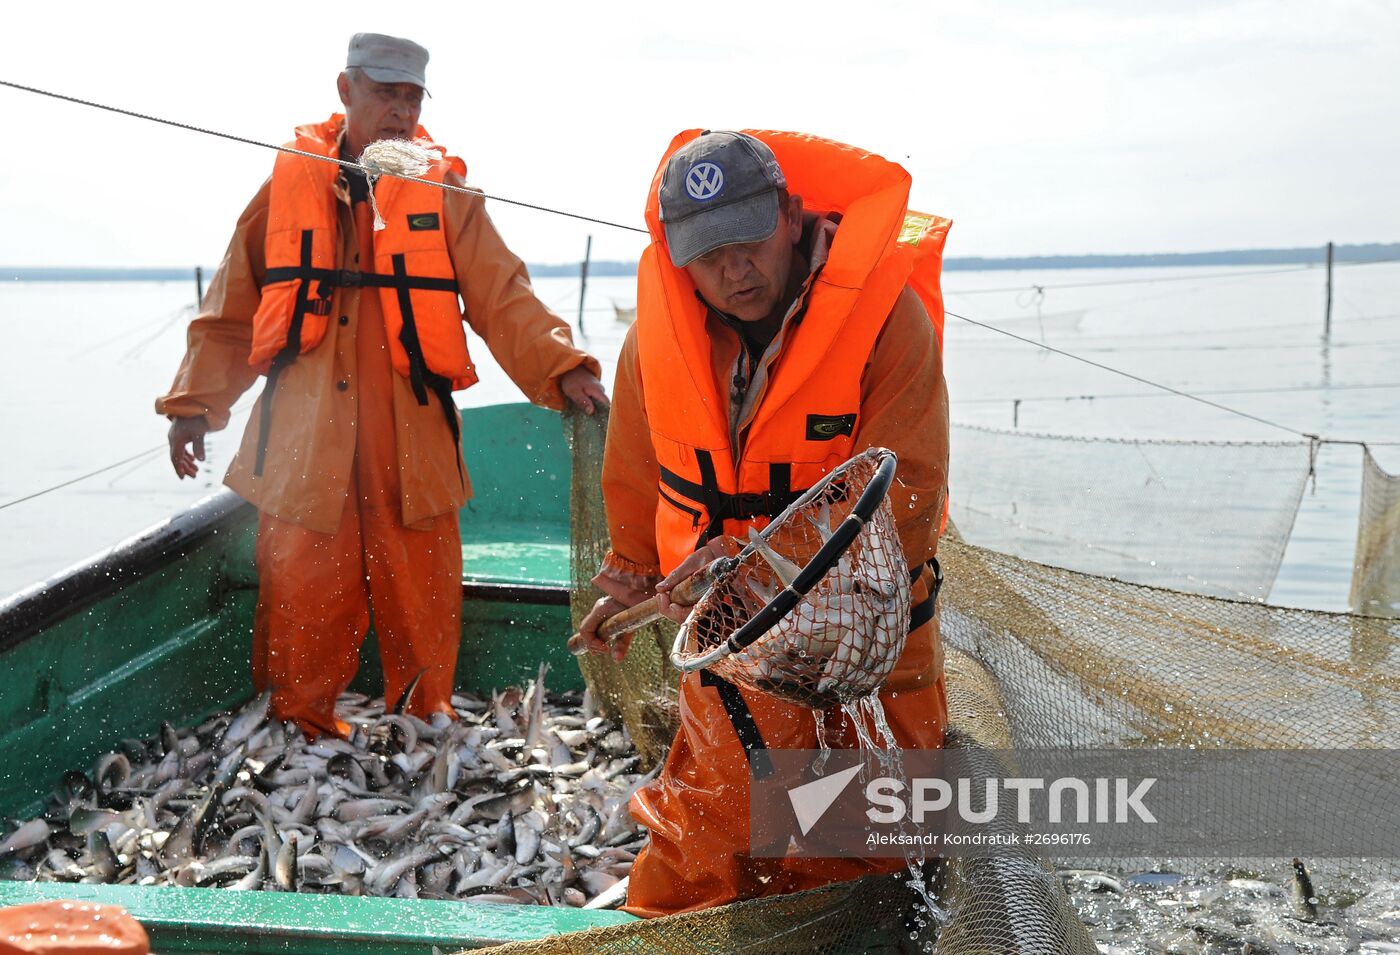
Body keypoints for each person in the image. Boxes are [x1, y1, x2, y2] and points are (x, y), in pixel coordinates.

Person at [157, 33, 608, 739]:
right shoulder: (286, 188)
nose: (399, 112)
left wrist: (565, 365)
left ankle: (425, 721)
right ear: (346, 91)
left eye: (411, 97)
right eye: (384, 93)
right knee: (302, 583)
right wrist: (192, 406)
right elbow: (231, 308)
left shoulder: (447, 193)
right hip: (305, 443)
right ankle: (299, 723)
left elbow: (504, 295)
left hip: (412, 436)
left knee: (420, 589)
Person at [572, 129, 952, 917]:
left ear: (788, 213)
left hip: (871, 649)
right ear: (678, 255)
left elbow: (906, 498)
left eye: (748, 241)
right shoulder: (658, 341)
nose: (732, 270)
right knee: (703, 853)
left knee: (860, 865)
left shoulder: (889, 322)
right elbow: (640, 475)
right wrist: (632, 581)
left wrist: (753, 568)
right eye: (708, 255)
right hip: (734, 660)